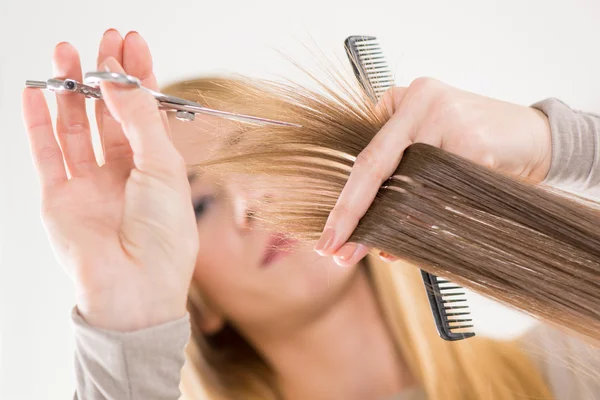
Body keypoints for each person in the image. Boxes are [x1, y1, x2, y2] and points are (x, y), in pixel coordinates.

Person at [21, 29, 600, 400]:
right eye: (197, 206)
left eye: (256, 160)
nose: (252, 205)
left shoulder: (572, 372)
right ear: (199, 304)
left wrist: (553, 142)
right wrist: (128, 325)